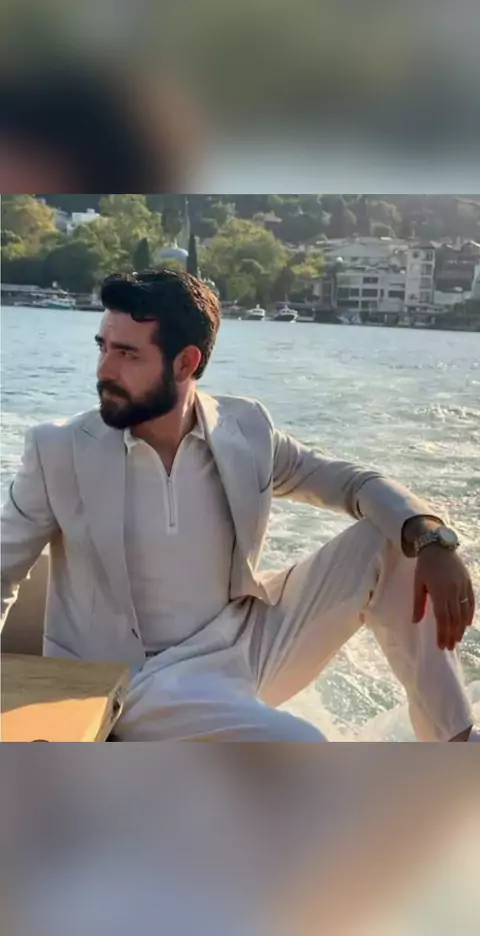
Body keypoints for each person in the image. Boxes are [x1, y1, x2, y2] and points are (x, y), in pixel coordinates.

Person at [1, 270, 478, 742]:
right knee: (301, 747)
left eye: (127, 354)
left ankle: (454, 744)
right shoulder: (59, 450)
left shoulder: (245, 429)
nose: (105, 369)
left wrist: (433, 539)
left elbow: (352, 483)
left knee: (393, 537)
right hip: (141, 679)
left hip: (246, 641)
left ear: (185, 363)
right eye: (103, 347)